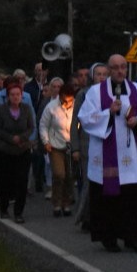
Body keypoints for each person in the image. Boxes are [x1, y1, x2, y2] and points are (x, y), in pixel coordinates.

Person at [78, 54, 137, 253]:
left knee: (133, 200)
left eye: (123, 66)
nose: (120, 71)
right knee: (109, 201)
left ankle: (133, 238)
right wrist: (108, 113)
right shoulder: (96, 92)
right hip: (106, 157)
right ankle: (110, 238)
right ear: (108, 69)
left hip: (131, 157)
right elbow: (85, 118)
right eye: (115, 67)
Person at [72, 62, 108, 229]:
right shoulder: (83, 94)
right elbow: (75, 123)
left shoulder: (110, 93)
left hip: (106, 143)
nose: (101, 77)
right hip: (87, 143)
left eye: (104, 74)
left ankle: (99, 216)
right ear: (92, 76)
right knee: (88, 181)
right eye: (98, 74)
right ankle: (84, 216)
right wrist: (75, 147)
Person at [0, 82, 36, 223]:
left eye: (18, 94)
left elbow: (31, 126)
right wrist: (11, 138)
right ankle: (4, 208)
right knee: (5, 181)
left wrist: (22, 138)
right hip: (5, 150)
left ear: (21, 96)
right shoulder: (1, 109)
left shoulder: (26, 108)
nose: (15, 97)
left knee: (22, 182)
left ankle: (19, 212)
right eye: (12, 94)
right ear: (8, 96)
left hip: (22, 149)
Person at [40, 82, 78, 217]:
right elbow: (43, 125)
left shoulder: (76, 107)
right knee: (59, 174)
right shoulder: (51, 107)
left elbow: (79, 124)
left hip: (70, 145)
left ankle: (66, 203)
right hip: (55, 146)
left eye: (70, 100)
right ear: (61, 97)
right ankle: (56, 203)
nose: (68, 103)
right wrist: (46, 141)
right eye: (66, 100)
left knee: (69, 176)